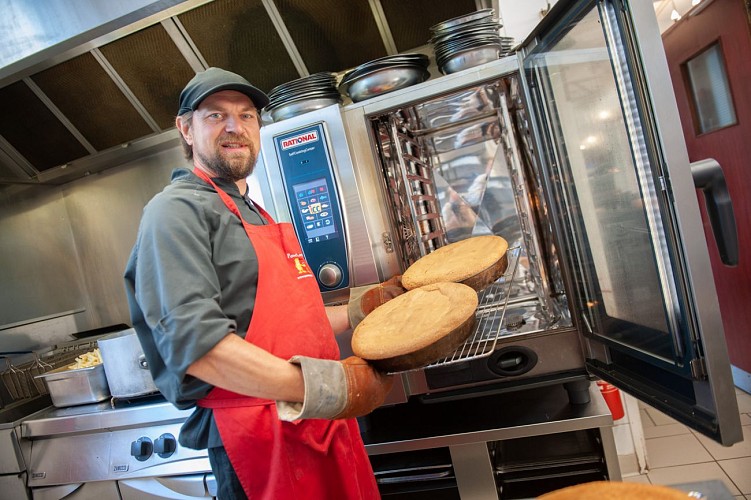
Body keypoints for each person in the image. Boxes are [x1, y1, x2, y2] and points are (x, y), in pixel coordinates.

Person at [124, 67, 404, 500]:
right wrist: (328, 387)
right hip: (257, 438)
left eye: (247, 115)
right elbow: (199, 349)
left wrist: (361, 308)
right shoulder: (175, 212)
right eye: (215, 115)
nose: (235, 127)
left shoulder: (255, 211)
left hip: (314, 422)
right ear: (185, 128)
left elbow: (287, 326)